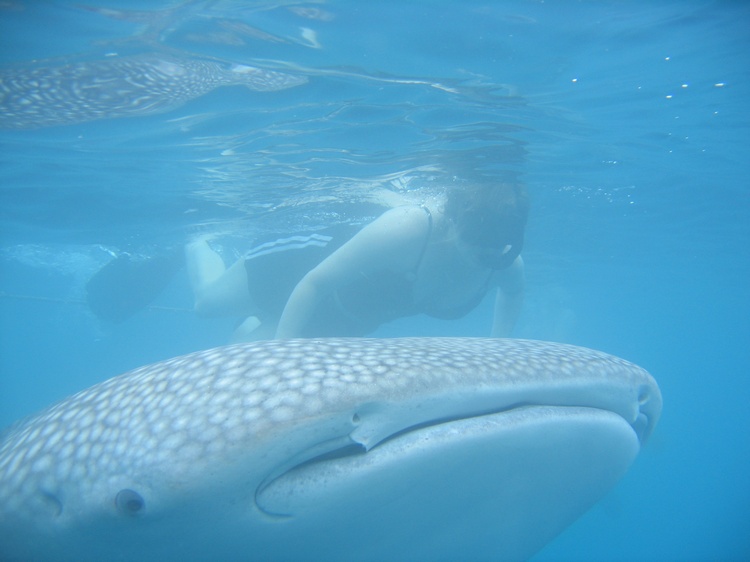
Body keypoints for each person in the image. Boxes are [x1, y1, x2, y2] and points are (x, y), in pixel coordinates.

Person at [185, 183, 528, 341]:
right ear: (454, 221)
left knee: (241, 348)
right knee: (205, 305)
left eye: (499, 248)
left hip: (347, 314)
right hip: (295, 268)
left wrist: (498, 348)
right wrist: (283, 357)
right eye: (478, 243)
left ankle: (259, 321)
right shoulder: (410, 227)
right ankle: (198, 242)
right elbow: (314, 283)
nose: (485, 257)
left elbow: (512, 293)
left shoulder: (503, 260)